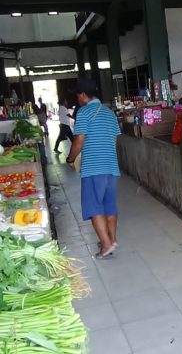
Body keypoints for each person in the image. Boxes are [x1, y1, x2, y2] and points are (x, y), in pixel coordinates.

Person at [66, 78, 121, 259]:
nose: (78, 99)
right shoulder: (109, 113)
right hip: (111, 167)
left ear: (83, 95)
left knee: (94, 207)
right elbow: (114, 140)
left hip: (93, 168)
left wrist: (71, 158)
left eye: (78, 95)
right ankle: (112, 240)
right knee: (109, 207)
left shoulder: (84, 112)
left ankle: (105, 245)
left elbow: (79, 140)